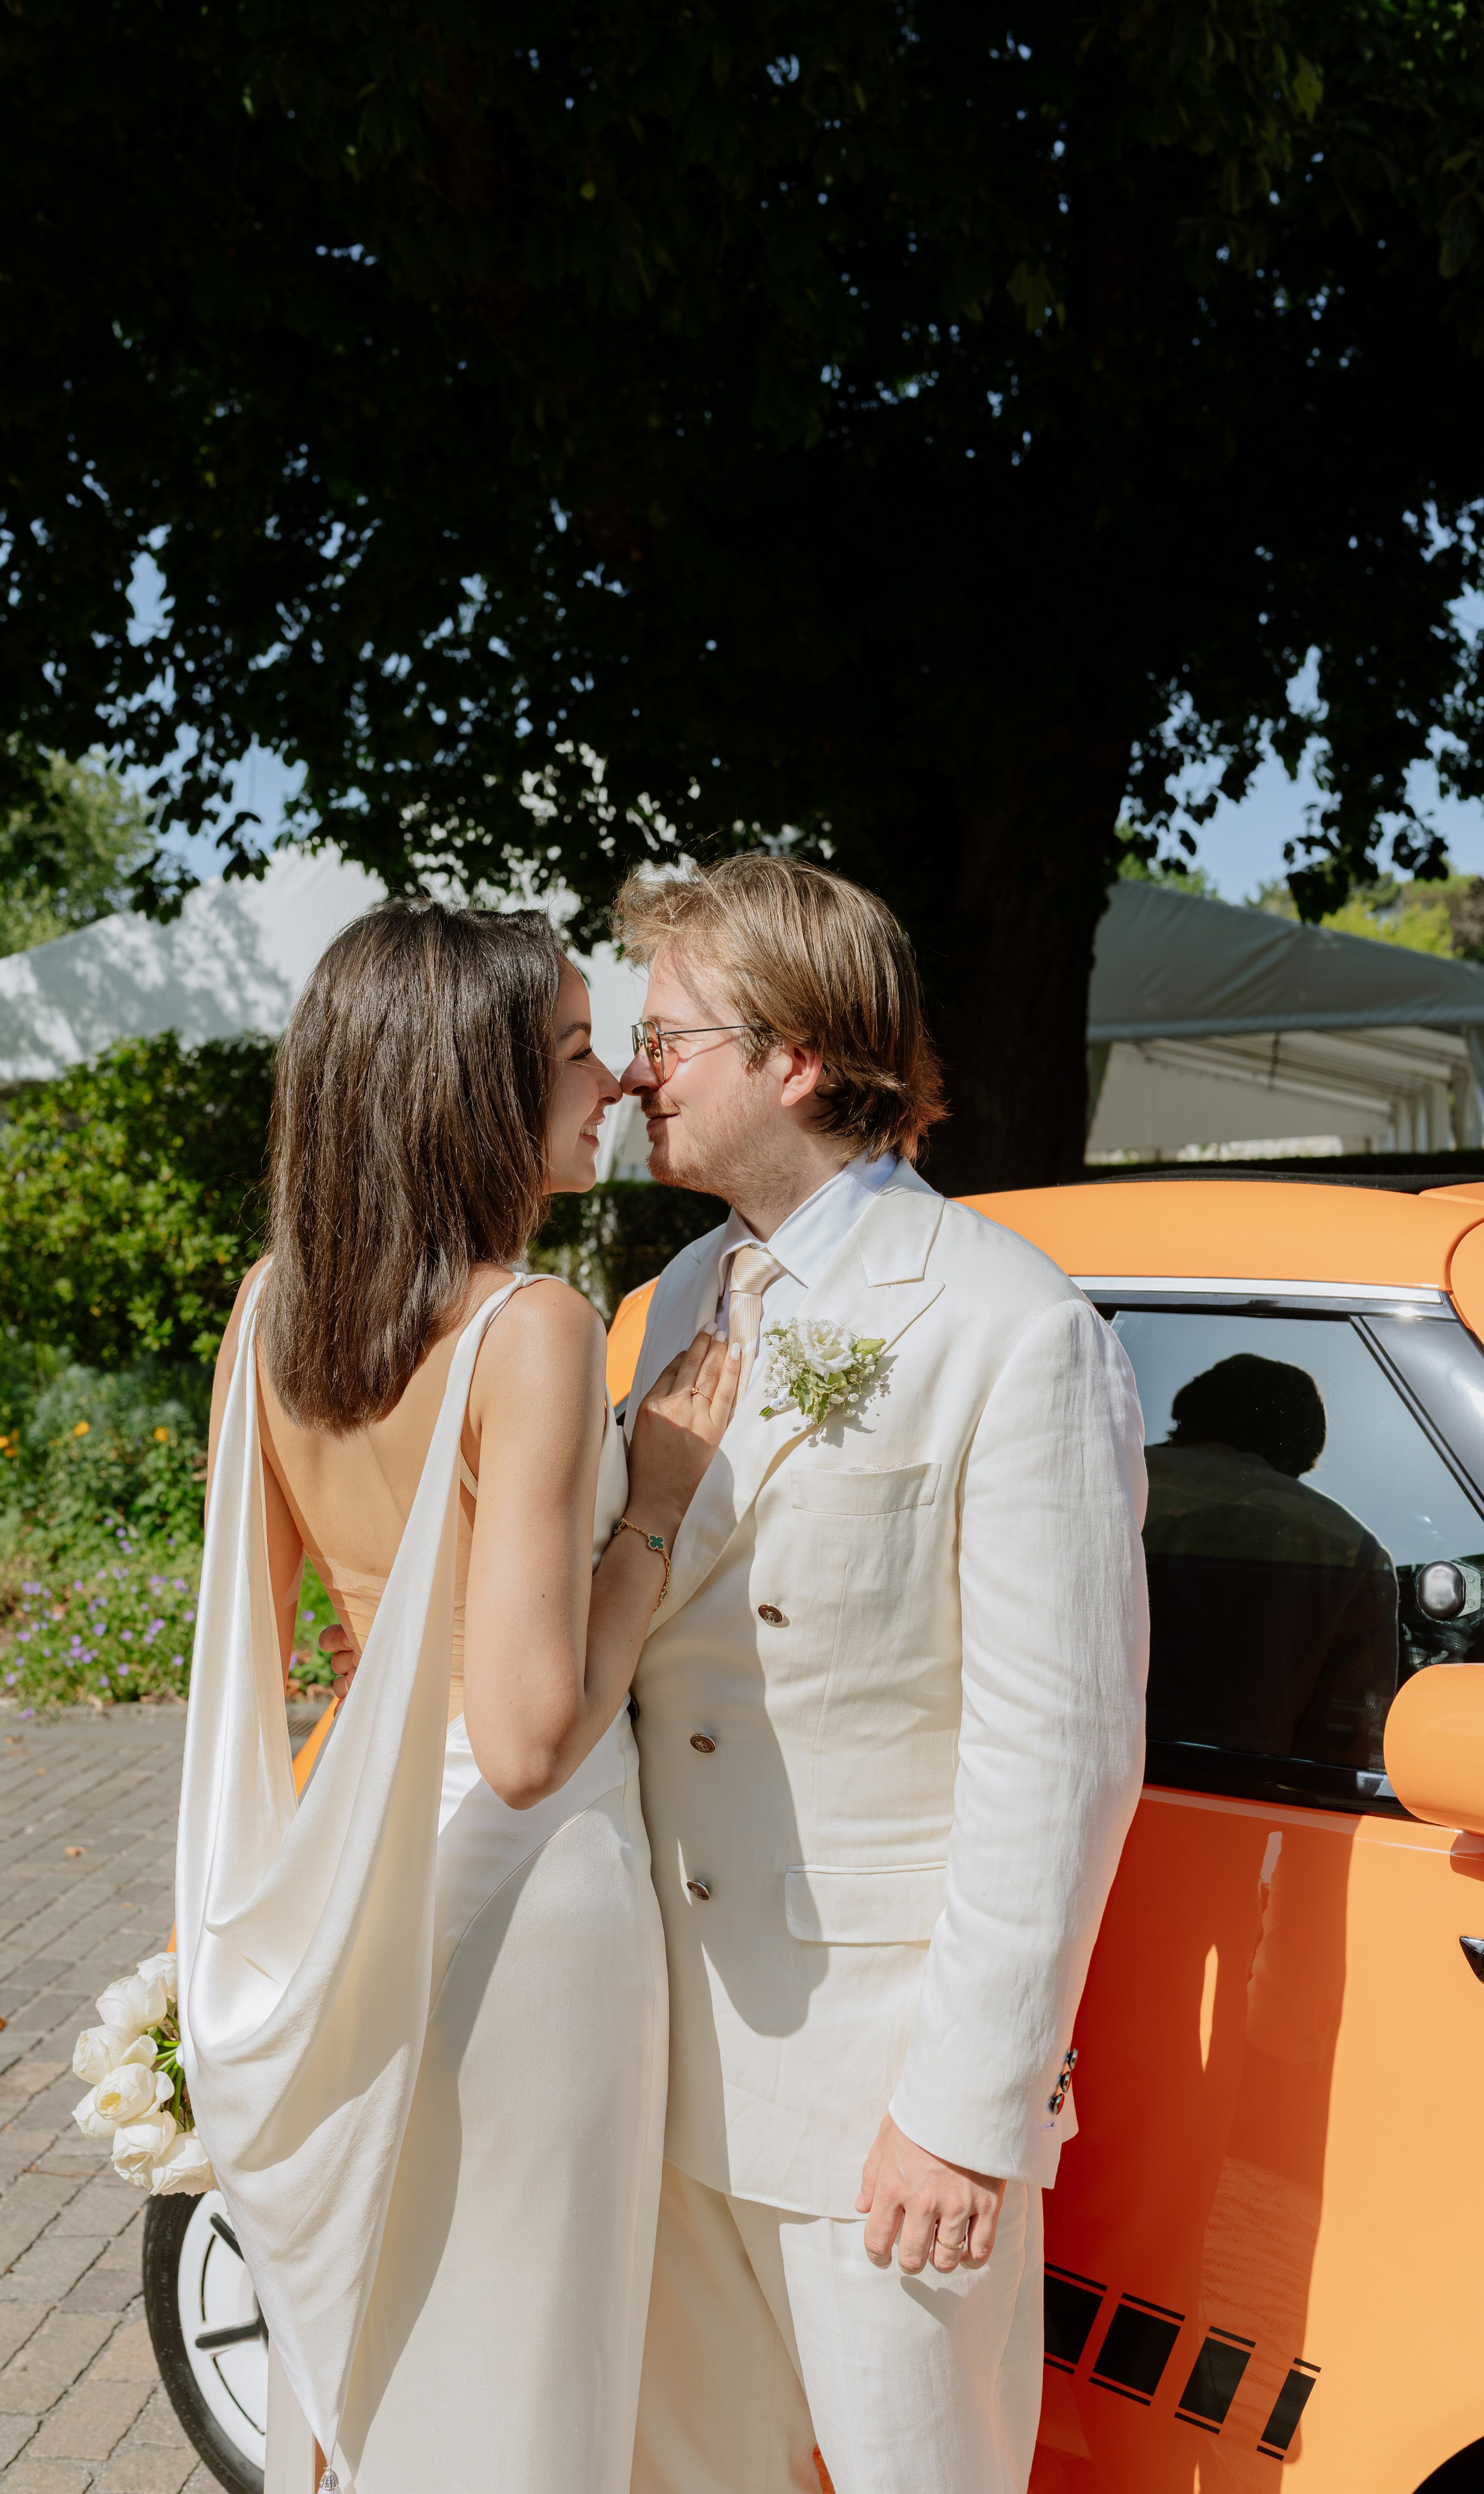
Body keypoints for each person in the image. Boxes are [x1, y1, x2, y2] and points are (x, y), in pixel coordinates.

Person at [174, 903, 740, 2494]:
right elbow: (524, 1738)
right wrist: (661, 1498)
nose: (618, 1078)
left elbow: (282, 1640)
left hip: (358, 1885)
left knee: (389, 2343)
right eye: (573, 1048)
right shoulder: (532, 1325)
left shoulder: (271, 1312)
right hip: (525, 1910)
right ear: (466, 1084)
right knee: (521, 2364)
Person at [612, 854, 1150, 2494]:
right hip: (665, 2066)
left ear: (789, 1055)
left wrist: (963, 2107)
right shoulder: (680, 1294)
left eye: (666, 1034)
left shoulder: (1006, 1321)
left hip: (873, 2100)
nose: (636, 1070)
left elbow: (1053, 1749)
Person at [1142, 1350, 1399, 1768]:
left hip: (1074, 1776)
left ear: (1188, 1412)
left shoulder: (1105, 1477)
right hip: (1238, 1797)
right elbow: (1348, 1746)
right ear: (1302, 1445)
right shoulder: (1351, 1548)